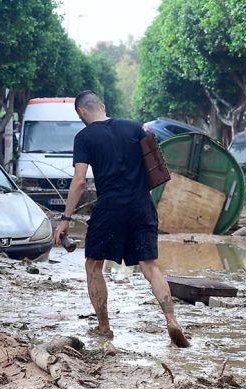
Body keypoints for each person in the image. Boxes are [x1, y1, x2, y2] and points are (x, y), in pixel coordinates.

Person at [53, 91, 190, 348]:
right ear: (102, 106)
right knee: (150, 267)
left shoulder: (84, 137)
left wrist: (65, 218)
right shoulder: (134, 127)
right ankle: (171, 320)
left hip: (110, 207)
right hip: (142, 204)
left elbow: (80, 181)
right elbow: (155, 165)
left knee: (94, 265)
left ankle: (104, 327)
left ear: (81, 112)